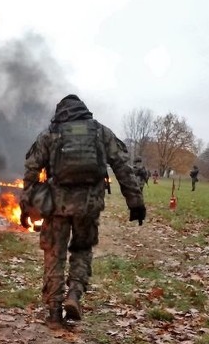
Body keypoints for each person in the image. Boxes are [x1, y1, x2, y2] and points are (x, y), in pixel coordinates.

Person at [20, 94, 145, 329]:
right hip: (89, 205)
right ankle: (75, 294)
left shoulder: (51, 133)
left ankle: (54, 311)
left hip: (57, 206)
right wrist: (135, 202)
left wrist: (26, 206)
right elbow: (123, 167)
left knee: (54, 256)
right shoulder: (100, 132)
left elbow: (31, 171)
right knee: (82, 250)